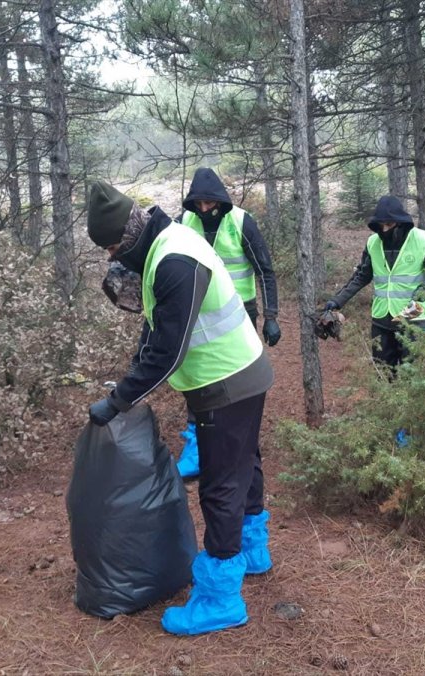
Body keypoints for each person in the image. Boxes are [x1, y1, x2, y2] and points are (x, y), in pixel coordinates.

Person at [86, 179, 274, 636]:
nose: (112, 258)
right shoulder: (164, 245)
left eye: (112, 247)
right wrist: (128, 380)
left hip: (226, 383)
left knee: (219, 487)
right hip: (242, 373)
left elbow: (167, 350)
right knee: (243, 466)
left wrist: (119, 400)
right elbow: (155, 329)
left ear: (128, 236)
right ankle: (253, 549)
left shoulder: (173, 260)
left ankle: (220, 598)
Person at [176, 167, 280, 478]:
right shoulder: (183, 223)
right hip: (196, 310)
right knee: (197, 371)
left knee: (239, 372)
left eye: (211, 204)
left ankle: (240, 433)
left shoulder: (241, 222)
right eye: (199, 205)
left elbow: (265, 270)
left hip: (239, 311)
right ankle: (196, 440)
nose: (205, 210)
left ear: (221, 201)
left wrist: (271, 316)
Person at [320, 195, 425, 378]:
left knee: (413, 377)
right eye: (381, 225)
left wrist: (424, 291)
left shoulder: (423, 240)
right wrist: (337, 301)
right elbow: (361, 276)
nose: (385, 229)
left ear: (400, 222)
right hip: (381, 320)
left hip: (413, 316)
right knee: (383, 375)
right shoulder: (373, 243)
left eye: (389, 224)